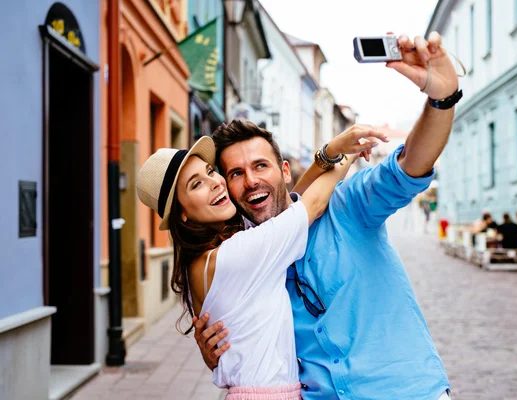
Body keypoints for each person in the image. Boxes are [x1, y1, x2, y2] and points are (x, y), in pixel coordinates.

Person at [195, 31, 458, 399]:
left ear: (284, 172)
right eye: (236, 173)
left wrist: (442, 99)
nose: (251, 180)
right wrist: (217, 353)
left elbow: (410, 166)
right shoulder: (246, 260)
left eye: (260, 166)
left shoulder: (347, 206)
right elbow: (239, 342)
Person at [136, 128, 384, 399]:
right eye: (196, 185)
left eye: (210, 171)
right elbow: (310, 205)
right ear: (182, 213)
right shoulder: (235, 256)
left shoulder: (203, 259)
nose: (215, 183)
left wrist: (327, 155)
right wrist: (345, 153)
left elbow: (284, 205)